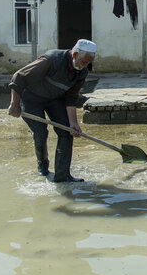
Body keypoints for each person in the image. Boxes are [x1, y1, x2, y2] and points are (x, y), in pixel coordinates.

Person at [8, 39, 96, 182]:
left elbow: (71, 98)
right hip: (32, 99)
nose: (84, 66)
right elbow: (19, 77)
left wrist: (73, 123)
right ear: (74, 54)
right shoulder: (51, 60)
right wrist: (14, 104)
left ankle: (63, 175)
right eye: (83, 61)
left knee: (67, 132)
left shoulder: (81, 72)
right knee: (41, 132)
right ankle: (42, 166)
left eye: (88, 63)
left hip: (55, 99)